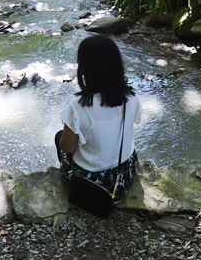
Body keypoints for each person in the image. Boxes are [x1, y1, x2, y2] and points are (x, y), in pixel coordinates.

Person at [55, 34, 142, 205]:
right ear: (117, 65)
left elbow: (68, 148)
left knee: (60, 138)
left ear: (85, 69)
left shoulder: (79, 107)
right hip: (124, 174)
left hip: (92, 182)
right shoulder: (132, 96)